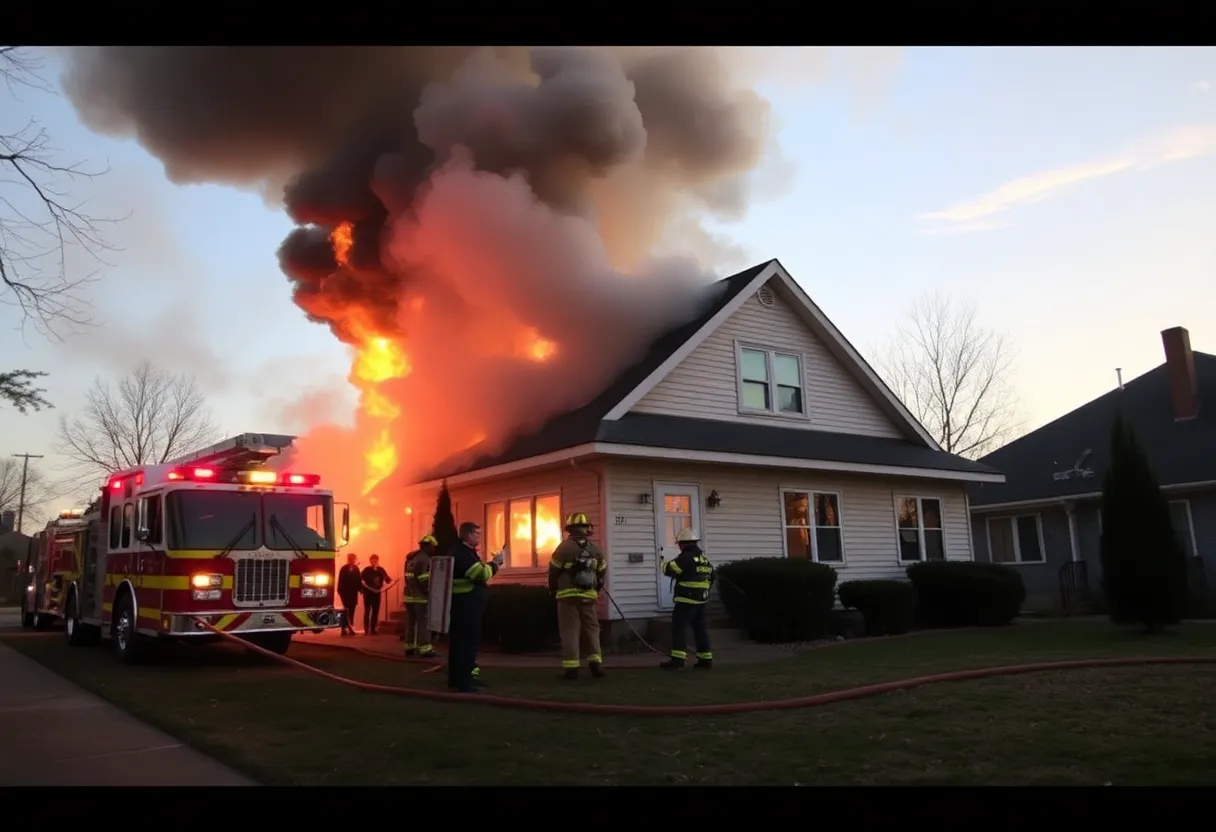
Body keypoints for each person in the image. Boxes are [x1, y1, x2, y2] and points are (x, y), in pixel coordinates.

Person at [548, 512, 607, 680]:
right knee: (592, 629)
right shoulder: (594, 549)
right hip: (588, 595)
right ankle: (595, 664)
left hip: (567, 597)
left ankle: (571, 669)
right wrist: (598, 584)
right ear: (587, 528)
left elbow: (553, 571)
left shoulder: (563, 548)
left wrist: (552, 589)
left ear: (570, 529)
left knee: (570, 630)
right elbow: (602, 570)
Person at [447, 521, 503, 693]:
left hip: (461, 605)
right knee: (467, 644)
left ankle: (457, 679)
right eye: (477, 534)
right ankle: (465, 682)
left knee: (458, 644)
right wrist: (496, 563)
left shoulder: (462, 552)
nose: (479, 537)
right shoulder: (464, 554)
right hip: (467, 607)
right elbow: (480, 574)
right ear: (468, 534)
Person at [659, 528, 715, 670]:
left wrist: (664, 560)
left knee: (680, 628)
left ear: (683, 544)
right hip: (702, 600)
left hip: (686, 600)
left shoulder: (686, 556)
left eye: (679, 544)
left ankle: (677, 661)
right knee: (700, 629)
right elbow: (712, 577)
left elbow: (670, 570)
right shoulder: (704, 558)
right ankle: (705, 659)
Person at [403, 535, 438, 657]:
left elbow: (407, 578)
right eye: (433, 547)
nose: (434, 549)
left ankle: (409, 646)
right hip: (420, 597)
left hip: (408, 596)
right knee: (423, 623)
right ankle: (425, 648)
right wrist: (428, 592)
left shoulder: (411, 559)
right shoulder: (425, 559)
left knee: (411, 622)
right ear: (428, 546)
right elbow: (424, 579)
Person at [360, 553, 393, 636]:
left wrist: (392, 581)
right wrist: (362, 587)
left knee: (375, 611)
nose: (374, 561)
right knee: (367, 611)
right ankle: (366, 629)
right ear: (370, 561)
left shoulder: (381, 570)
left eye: (375, 559)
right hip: (368, 594)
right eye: (372, 559)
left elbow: (387, 579)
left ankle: (373, 629)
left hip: (377, 594)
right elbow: (361, 579)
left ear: (377, 560)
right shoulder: (366, 570)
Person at [337, 552, 362, 637]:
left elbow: (359, 580)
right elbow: (341, 581)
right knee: (345, 611)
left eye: (353, 559)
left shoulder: (356, 569)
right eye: (350, 559)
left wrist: (361, 590)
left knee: (352, 611)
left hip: (353, 593)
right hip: (345, 593)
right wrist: (340, 591)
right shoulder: (344, 568)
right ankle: (344, 629)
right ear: (348, 560)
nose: (352, 561)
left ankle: (350, 628)